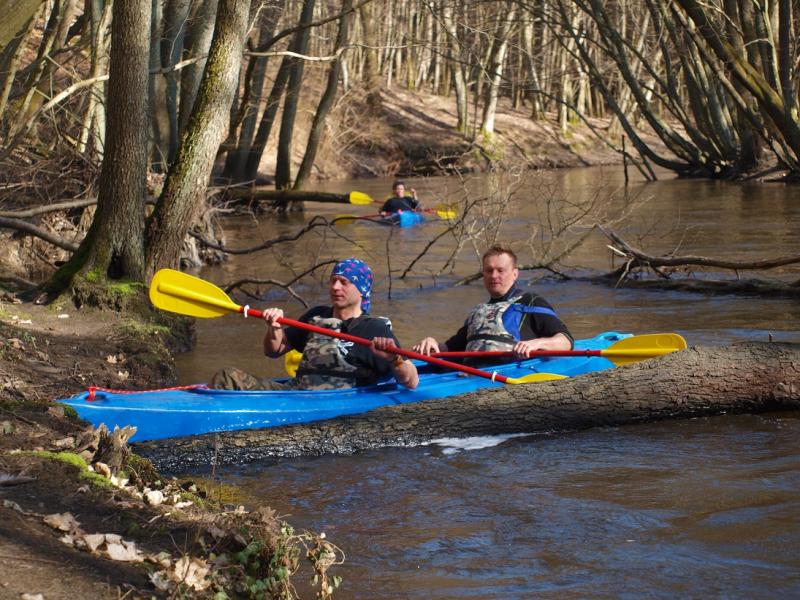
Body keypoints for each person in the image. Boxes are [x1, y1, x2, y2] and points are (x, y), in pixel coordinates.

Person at [211, 258, 419, 391]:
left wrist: (395, 359)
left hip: (335, 403)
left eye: (344, 282)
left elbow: (411, 382)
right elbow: (273, 351)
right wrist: (274, 327)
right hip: (297, 393)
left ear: (362, 289)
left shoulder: (375, 329)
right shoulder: (316, 316)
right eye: (333, 280)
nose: (335, 287)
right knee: (228, 377)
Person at [413, 245, 573, 360]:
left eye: (500, 270)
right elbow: (451, 348)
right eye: (489, 271)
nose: (494, 275)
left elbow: (566, 341)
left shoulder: (531, 302)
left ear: (515, 274)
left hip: (509, 372)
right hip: (469, 376)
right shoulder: (478, 312)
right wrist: (432, 343)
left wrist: (536, 343)